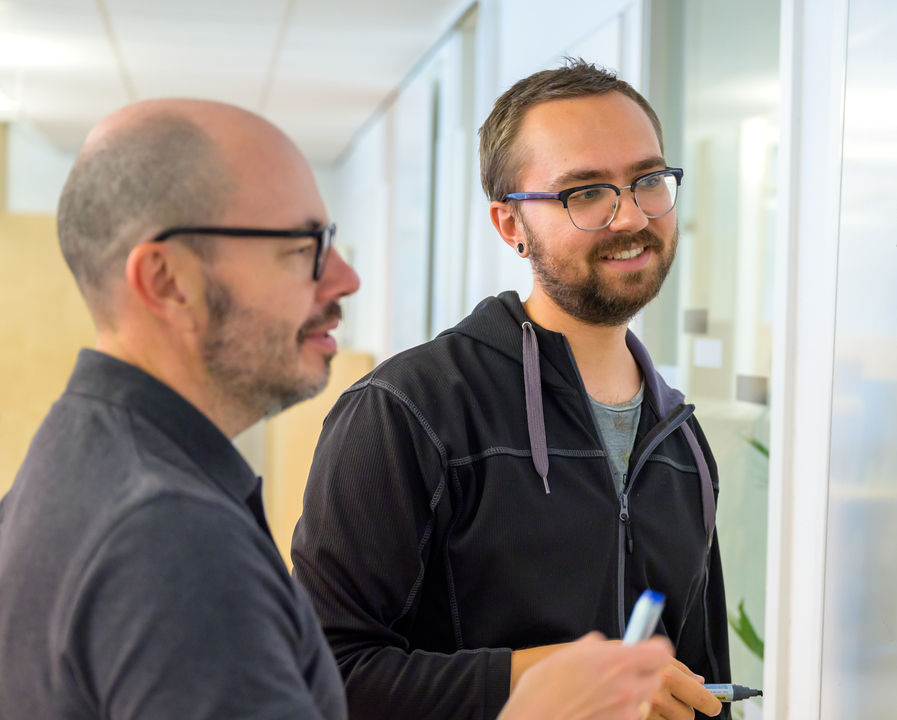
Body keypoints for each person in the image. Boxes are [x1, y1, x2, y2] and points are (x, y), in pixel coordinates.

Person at [0, 98, 673, 720]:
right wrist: (523, 704)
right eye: (302, 248)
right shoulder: (170, 539)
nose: (346, 278)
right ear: (167, 281)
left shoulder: (86, 463)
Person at [292, 60, 730, 720]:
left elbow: (701, 683)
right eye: (584, 192)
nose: (630, 217)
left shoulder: (682, 441)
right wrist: (549, 678)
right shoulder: (409, 411)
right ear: (509, 225)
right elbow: (321, 671)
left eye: (647, 180)